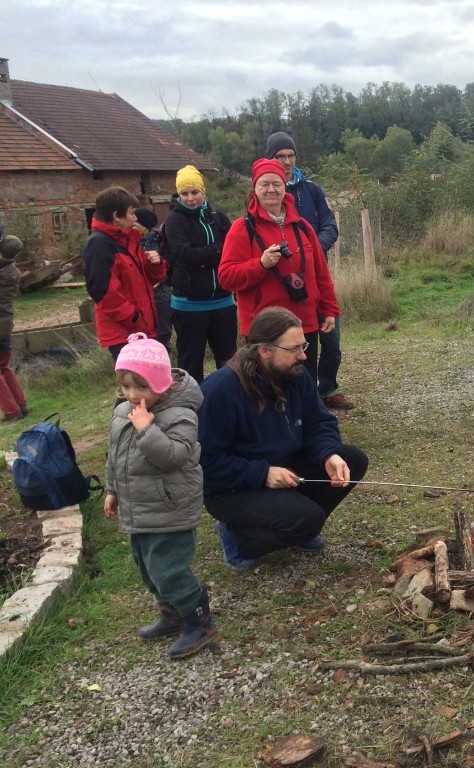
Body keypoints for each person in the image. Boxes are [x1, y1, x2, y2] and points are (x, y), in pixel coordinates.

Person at [198, 307, 369, 571]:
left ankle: (296, 527)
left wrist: (329, 454)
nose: (303, 355)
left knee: (352, 460)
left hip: (283, 467)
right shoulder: (220, 391)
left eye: (304, 345)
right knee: (307, 519)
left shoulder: (295, 376)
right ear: (264, 350)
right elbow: (204, 464)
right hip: (232, 487)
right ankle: (238, 536)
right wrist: (262, 473)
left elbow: (318, 423)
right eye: (293, 349)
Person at [103, 333, 214, 659]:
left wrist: (146, 429)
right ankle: (172, 613)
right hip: (139, 508)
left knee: (169, 568)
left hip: (170, 507)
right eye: (126, 386)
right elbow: (115, 456)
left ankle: (199, 620)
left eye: (142, 387)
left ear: (162, 384)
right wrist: (112, 490)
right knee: (147, 567)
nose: (132, 395)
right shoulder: (123, 411)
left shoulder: (181, 415)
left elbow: (173, 457)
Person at [219, 159, 340, 381]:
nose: (271, 189)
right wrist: (261, 264)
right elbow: (226, 278)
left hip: (304, 323)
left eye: (277, 184)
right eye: (264, 184)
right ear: (254, 189)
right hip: (265, 329)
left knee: (305, 383)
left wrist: (329, 309)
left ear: (285, 187)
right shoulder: (243, 228)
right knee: (266, 388)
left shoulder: (302, 226)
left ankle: (304, 417)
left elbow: (321, 273)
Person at [266, 132, 353, 411]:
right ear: (270, 159)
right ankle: (294, 398)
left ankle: (326, 388)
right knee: (293, 341)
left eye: (290, 155)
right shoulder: (266, 191)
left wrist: (312, 250)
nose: (286, 161)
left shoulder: (312, 190)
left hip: (317, 277)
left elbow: (330, 225)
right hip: (284, 283)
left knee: (330, 337)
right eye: (280, 156)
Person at [162, 165, 237, 383]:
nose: (190, 198)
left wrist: (211, 252)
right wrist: (217, 250)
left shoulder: (217, 217)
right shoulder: (174, 221)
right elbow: (185, 254)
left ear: (203, 191)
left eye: (194, 192)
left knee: (229, 360)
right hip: (189, 304)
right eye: (184, 193)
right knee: (191, 363)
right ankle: (193, 410)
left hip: (223, 300)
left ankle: (228, 403)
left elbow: (233, 247)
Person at [84, 186, 167, 361]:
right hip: (125, 334)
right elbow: (104, 293)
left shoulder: (128, 240)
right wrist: (135, 318)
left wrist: (155, 264)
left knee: (151, 384)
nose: (135, 218)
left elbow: (145, 280)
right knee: (136, 386)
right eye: (131, 213)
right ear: (116, 216)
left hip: (142, 328)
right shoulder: (99, 244)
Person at [133, 208, 172, 352]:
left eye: (136, 223)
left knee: (162, 337)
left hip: (161, 297)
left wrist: (160, 280)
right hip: (140, 299)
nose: (133, 225)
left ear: (144, 225)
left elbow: (170, 264)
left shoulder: (160, 240)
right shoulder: (131, 243)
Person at [0, 252, 28, 421]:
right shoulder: (11, 270)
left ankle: (11, 412)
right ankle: (20, 404)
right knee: (4, 366)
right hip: (5, 323)